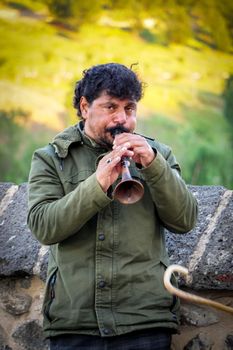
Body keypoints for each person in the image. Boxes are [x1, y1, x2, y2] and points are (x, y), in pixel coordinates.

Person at [27, 63, 198, 350]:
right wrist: (98, 183)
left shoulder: (159, 154)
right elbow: (44, 227)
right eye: (111, 107)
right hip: (75, 322)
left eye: (129, 109)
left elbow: (185, 221)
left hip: (144, 319)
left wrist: (154, 167)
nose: (122, 119)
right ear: (85, 107)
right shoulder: (51, 158)